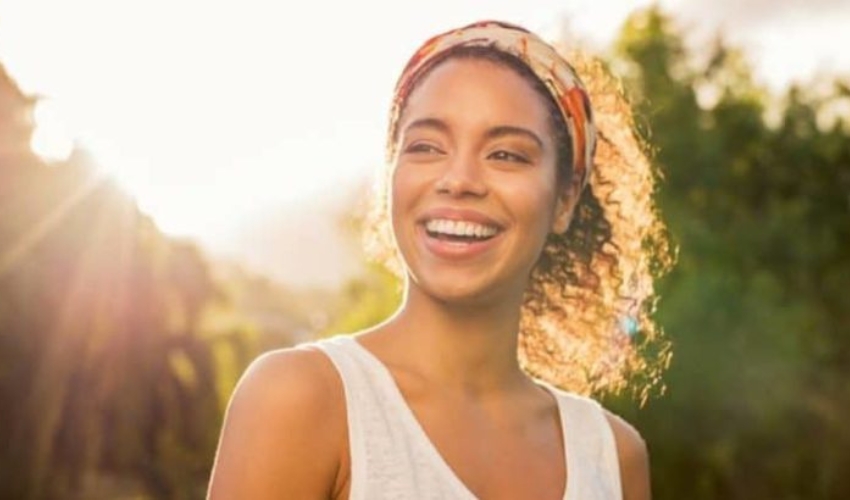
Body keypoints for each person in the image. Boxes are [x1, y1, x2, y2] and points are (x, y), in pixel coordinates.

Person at [208, 19, 670, 500]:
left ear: (565, 200)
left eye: (507, 155)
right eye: (426, 147)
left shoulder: (613, 458)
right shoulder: (300, 398)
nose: (459, 179)